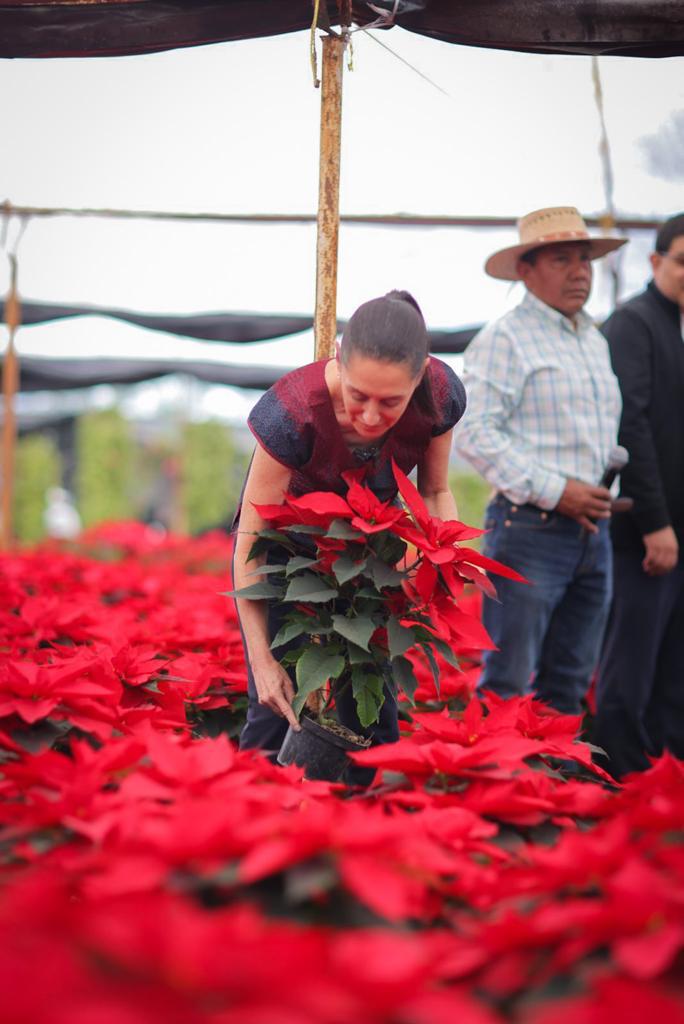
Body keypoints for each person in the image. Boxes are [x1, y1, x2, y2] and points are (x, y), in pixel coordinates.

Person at [233, 290, 466, 758]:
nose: (371, 416)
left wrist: (438, 560)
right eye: (359, 396)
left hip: (366, 556)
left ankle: (362, 814)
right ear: (339, 360)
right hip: (286, 559)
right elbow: (249, 547)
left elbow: (436, 492)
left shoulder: (440, 395)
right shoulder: (292, 412)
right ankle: (250, 814)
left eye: (392, 401)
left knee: (370, 707)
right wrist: (261, 661)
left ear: (420, 376)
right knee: (277, 704)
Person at [455, 206, 627, 715]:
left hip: (592, 536)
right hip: (530, 530)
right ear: (526, 269)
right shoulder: (503, 338)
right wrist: (558, 490)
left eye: (585, 259)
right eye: (562, 260)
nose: (580, 271)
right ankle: (496, 789)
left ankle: (554, 787)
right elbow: (475, 431)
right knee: (506, 682)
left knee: (571, 680)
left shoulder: (593, 340)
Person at [595, 213, 684, 778]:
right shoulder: (633, 324)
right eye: (683, 263)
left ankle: (662, 771)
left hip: (680, 531)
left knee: (674, 666)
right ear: (656, 263)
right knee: (632, 659)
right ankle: (617, 774)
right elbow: (632, 427)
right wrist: (655, 522)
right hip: (647, 533)